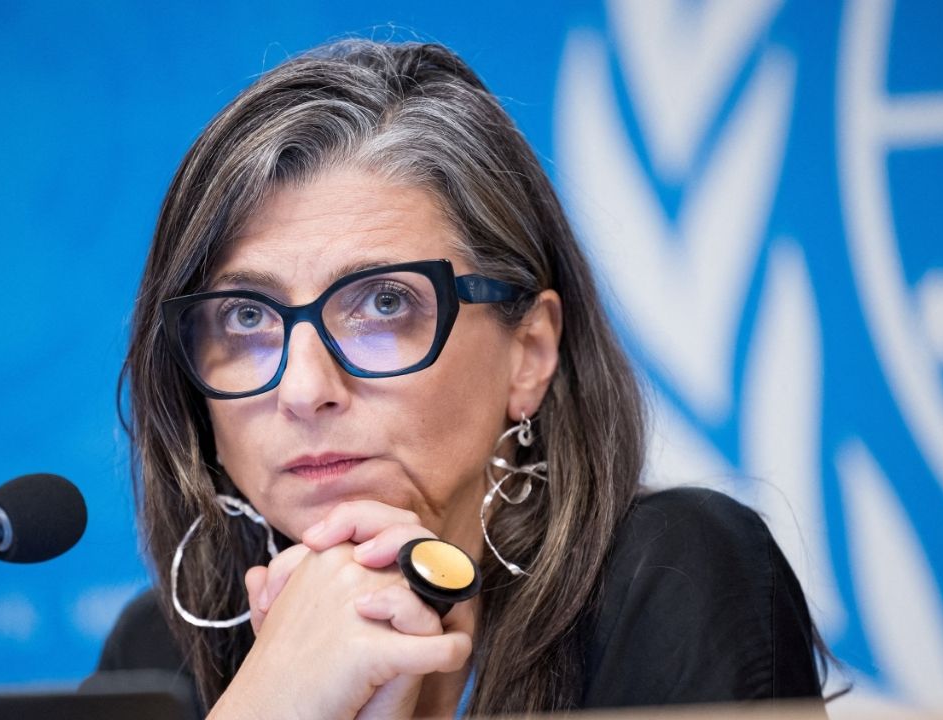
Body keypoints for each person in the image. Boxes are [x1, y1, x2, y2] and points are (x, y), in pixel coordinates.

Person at [96, 39, 829, 718]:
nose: (303, 388)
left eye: (385, 305)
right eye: (247, 319)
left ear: (529, 354)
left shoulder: (671, 580)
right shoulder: (157, 653)